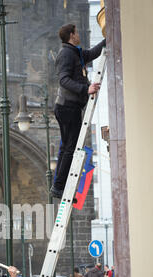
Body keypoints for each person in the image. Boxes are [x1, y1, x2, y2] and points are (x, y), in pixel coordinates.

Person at [50, 24, 106, 200]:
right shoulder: (66, 54)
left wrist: (109, 37)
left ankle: (61, 187)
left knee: (67, 147)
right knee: (69, 148)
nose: (79, 34)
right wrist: (86, 89)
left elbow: (92, 53)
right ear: (71, 35)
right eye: (77, 32)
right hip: (67, 107)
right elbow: (64, 80)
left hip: (70, 107)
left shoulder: (76, 52)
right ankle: (59, 187)